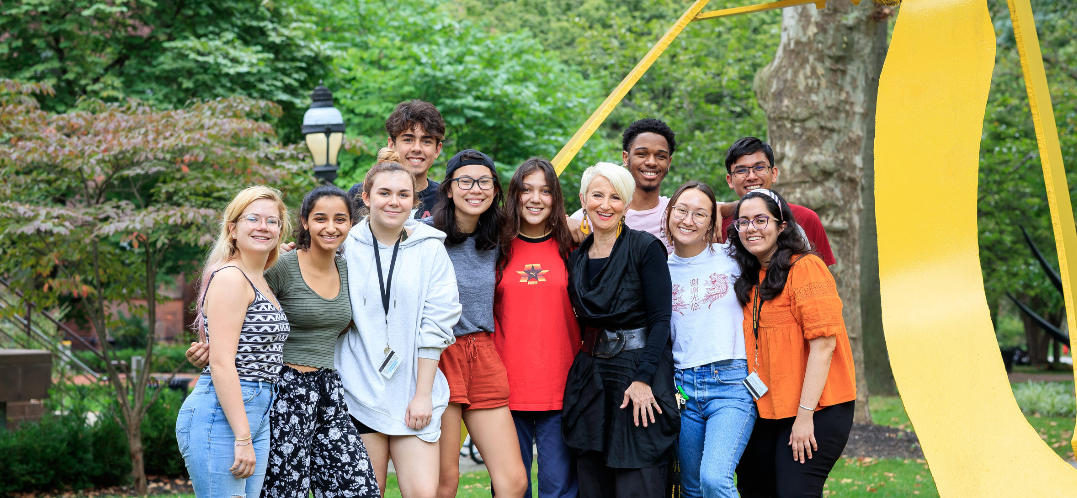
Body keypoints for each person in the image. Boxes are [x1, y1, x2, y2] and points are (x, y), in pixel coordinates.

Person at [184, 185, 380, 498]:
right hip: (274, 393)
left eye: (272, 222)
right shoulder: (259, 271)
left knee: (356, 487)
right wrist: (208, 347)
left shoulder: (264, 273)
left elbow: (250, 327)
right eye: (253, 219)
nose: (330, 227)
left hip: (315, 391)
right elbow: (223, 346)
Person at [342, 160, 462, 498]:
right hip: (358, 389)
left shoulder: (431, 248)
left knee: (423, 493)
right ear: (365, 197)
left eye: (403, 194)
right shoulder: (344, 245)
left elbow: (436, 324)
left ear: (414, 202)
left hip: (413, 389)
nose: (393, 201)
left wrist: (422, 394)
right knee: (367, 492)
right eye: (384, 193)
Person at [727, 189, 856, 497]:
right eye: (743, 222)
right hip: (769, 406)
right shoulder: (752, 276)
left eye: (761, 220)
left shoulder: (806, 268)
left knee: (795, 491)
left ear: (782, 226)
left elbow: (824, 346)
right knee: (753, 487)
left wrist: (804, 417)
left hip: (818, 407)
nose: (751, 228)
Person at [562, 163, 679, 498]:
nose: (605, 204)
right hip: (592, 380)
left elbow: (660, 320)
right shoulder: (578, 258)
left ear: (626, 204)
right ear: (583, 199)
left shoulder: (645, 248)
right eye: (597, 195)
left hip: (637, 373)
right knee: (593, 482)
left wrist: (643, 380)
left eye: (616, 197)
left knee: (638, 481)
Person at [176, 186, 291, 498]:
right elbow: (222, 363)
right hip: (222, 412)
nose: (263, 227)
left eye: (273, 221)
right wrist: (242, 436)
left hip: (256, 408)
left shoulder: (260, 279)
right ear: (233, 229)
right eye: (252, 218)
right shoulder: (231, 278)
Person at [428, 149, 529, 498]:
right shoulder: (425, 237)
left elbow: (551, 224)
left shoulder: (499, 238)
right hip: (438, 355)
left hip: (483, 353)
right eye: (466, 181)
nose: (476, 188)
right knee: (445, 481)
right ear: (449, 189)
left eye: (485, 181)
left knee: (514, 481)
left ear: (495, 190)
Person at [664, 181, 757, 498]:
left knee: (714, 480)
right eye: (682, 210)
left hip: (731, 384)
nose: (688, 220)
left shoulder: (732, 257)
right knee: (690, 489)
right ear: (669, 212)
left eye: (700, 214)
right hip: (684, 390)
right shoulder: (660, 269)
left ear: (711, 223)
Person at [494, 157, 580, 498]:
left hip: (560, 386)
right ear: (514, 195)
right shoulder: (495, 247)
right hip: (504, 387)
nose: (535, 198)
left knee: (559, 488)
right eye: (527, 189)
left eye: (545, 191)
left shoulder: (573, 246)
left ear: (556, 198)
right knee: (511, 487)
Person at [718, 137, 835, 266]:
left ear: (773, 174)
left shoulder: (805, 218)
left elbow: (822, 275)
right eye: (741, 171)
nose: (751, 177)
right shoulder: (718, 223)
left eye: (759, 168)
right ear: (729, 180)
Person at [571, 118, 678, 253]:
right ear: (626, 158)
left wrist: (714, 208)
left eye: (660, 156)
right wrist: (563, 223)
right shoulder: (595, 213)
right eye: (642, 154)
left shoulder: (678, 214)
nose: (651, 162)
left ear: (669, 162)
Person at [348, 100, 446, 219]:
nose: (417, 148)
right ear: (391, 144)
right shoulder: (359, 196)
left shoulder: (446, 200)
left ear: (437, 150)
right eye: (408, 139)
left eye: (426, 141)